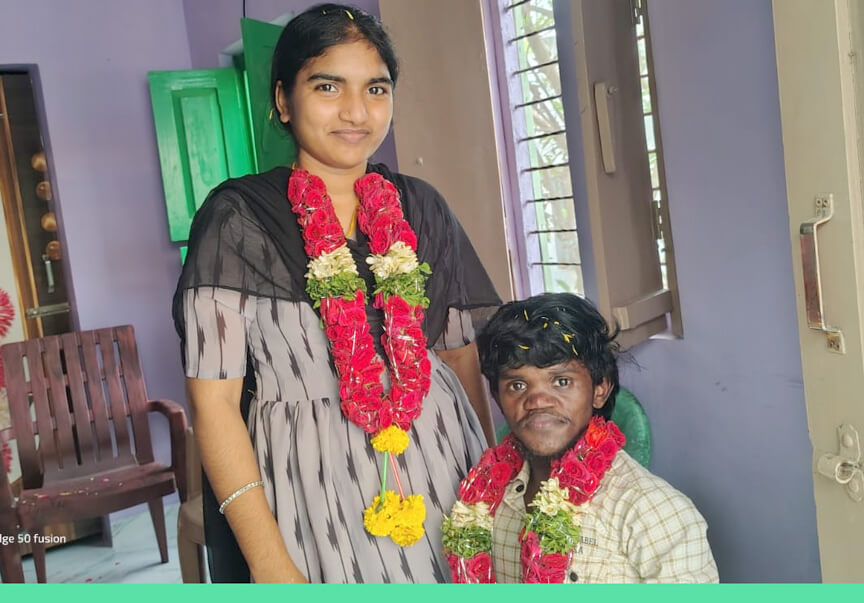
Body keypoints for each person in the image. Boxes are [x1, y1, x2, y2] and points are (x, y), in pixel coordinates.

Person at [172, 3, 500, 583]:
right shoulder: (239, 220)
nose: (356, 111)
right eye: (328, 86)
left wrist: (490, 487)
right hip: (315, 483)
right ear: (283, 100)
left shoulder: (422, 206)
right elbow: (214, 405)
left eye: (376, 88)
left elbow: (459, 357)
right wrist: (269, 562)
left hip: (446, 460)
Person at [442, 293, 718, 583]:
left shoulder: (654, 512)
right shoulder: (485, 496)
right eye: (518, 385)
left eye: (561, 381)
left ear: (600, 390)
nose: (537, 400)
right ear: (498, 399)